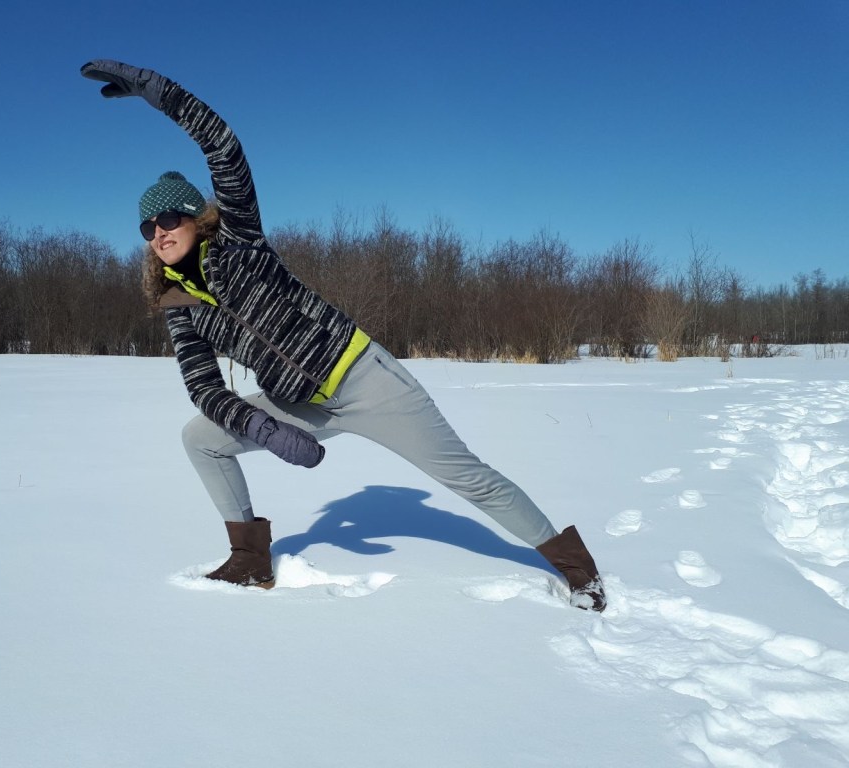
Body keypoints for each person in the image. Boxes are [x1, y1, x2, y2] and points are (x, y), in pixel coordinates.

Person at [80, 60, 607, 611]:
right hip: (301, 404)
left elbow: (224, 147)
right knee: (200, 437)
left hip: (363, 380)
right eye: (148, 228)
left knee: (469, 477)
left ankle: (579, 570)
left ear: (197, 218)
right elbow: (205, 389)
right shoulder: (179, 306)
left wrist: (159, 94)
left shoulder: (240, 241)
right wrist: (263, 426)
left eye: (168, 220)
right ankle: (249, 560)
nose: (159, 233)